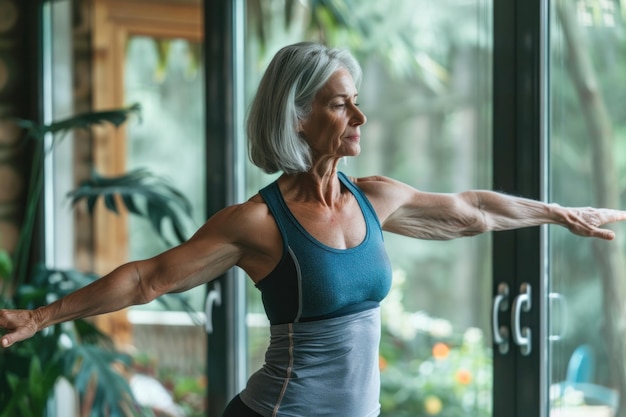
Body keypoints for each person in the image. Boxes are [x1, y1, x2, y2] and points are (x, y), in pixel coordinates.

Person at [1, 41, 626, 417]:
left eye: (353, 100)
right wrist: (40, 318)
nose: (359, 114)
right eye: (339, 103)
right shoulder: (257, 222)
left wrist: (558, 213)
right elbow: (146, 280)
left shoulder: (374, 198)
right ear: (297, 118)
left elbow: (473, 210)